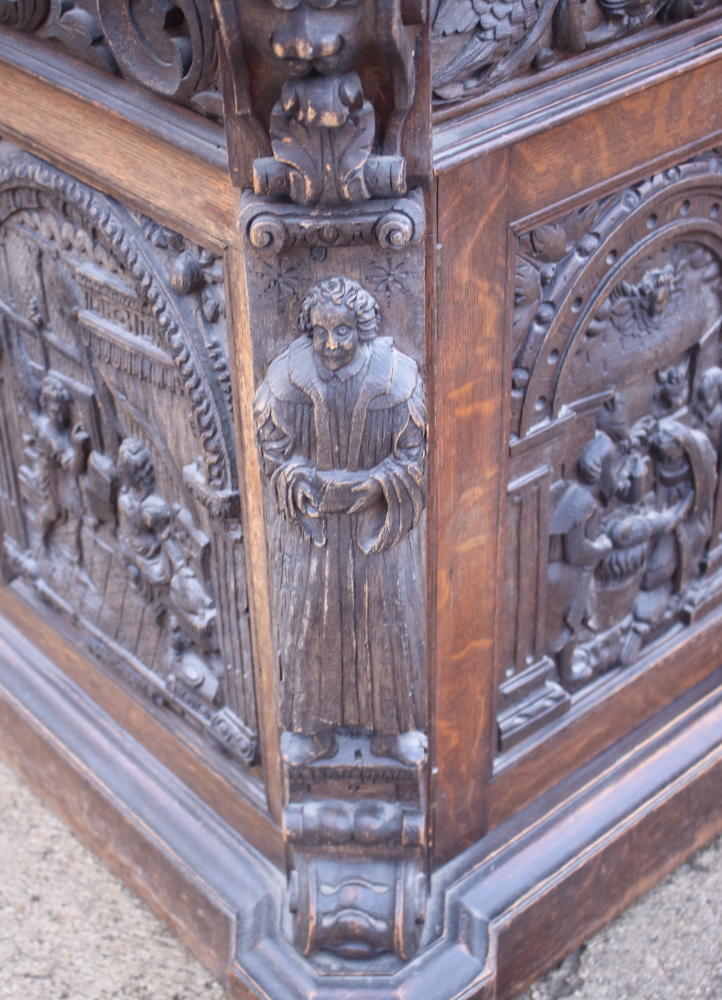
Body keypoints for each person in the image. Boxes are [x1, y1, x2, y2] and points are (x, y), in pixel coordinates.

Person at [254, 276, 427, 764]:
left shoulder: (396, 377)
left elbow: (415, 455)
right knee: (311, 626)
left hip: (377, 534)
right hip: (316, 536)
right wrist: (295, 478)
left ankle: (391, 731)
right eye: (321, 332)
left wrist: (376, 486)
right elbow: (270, 443)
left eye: (344, 331)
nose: (331, 344)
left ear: (364, 330)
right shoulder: (288, 375)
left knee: (388, 626)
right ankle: (312, 731)